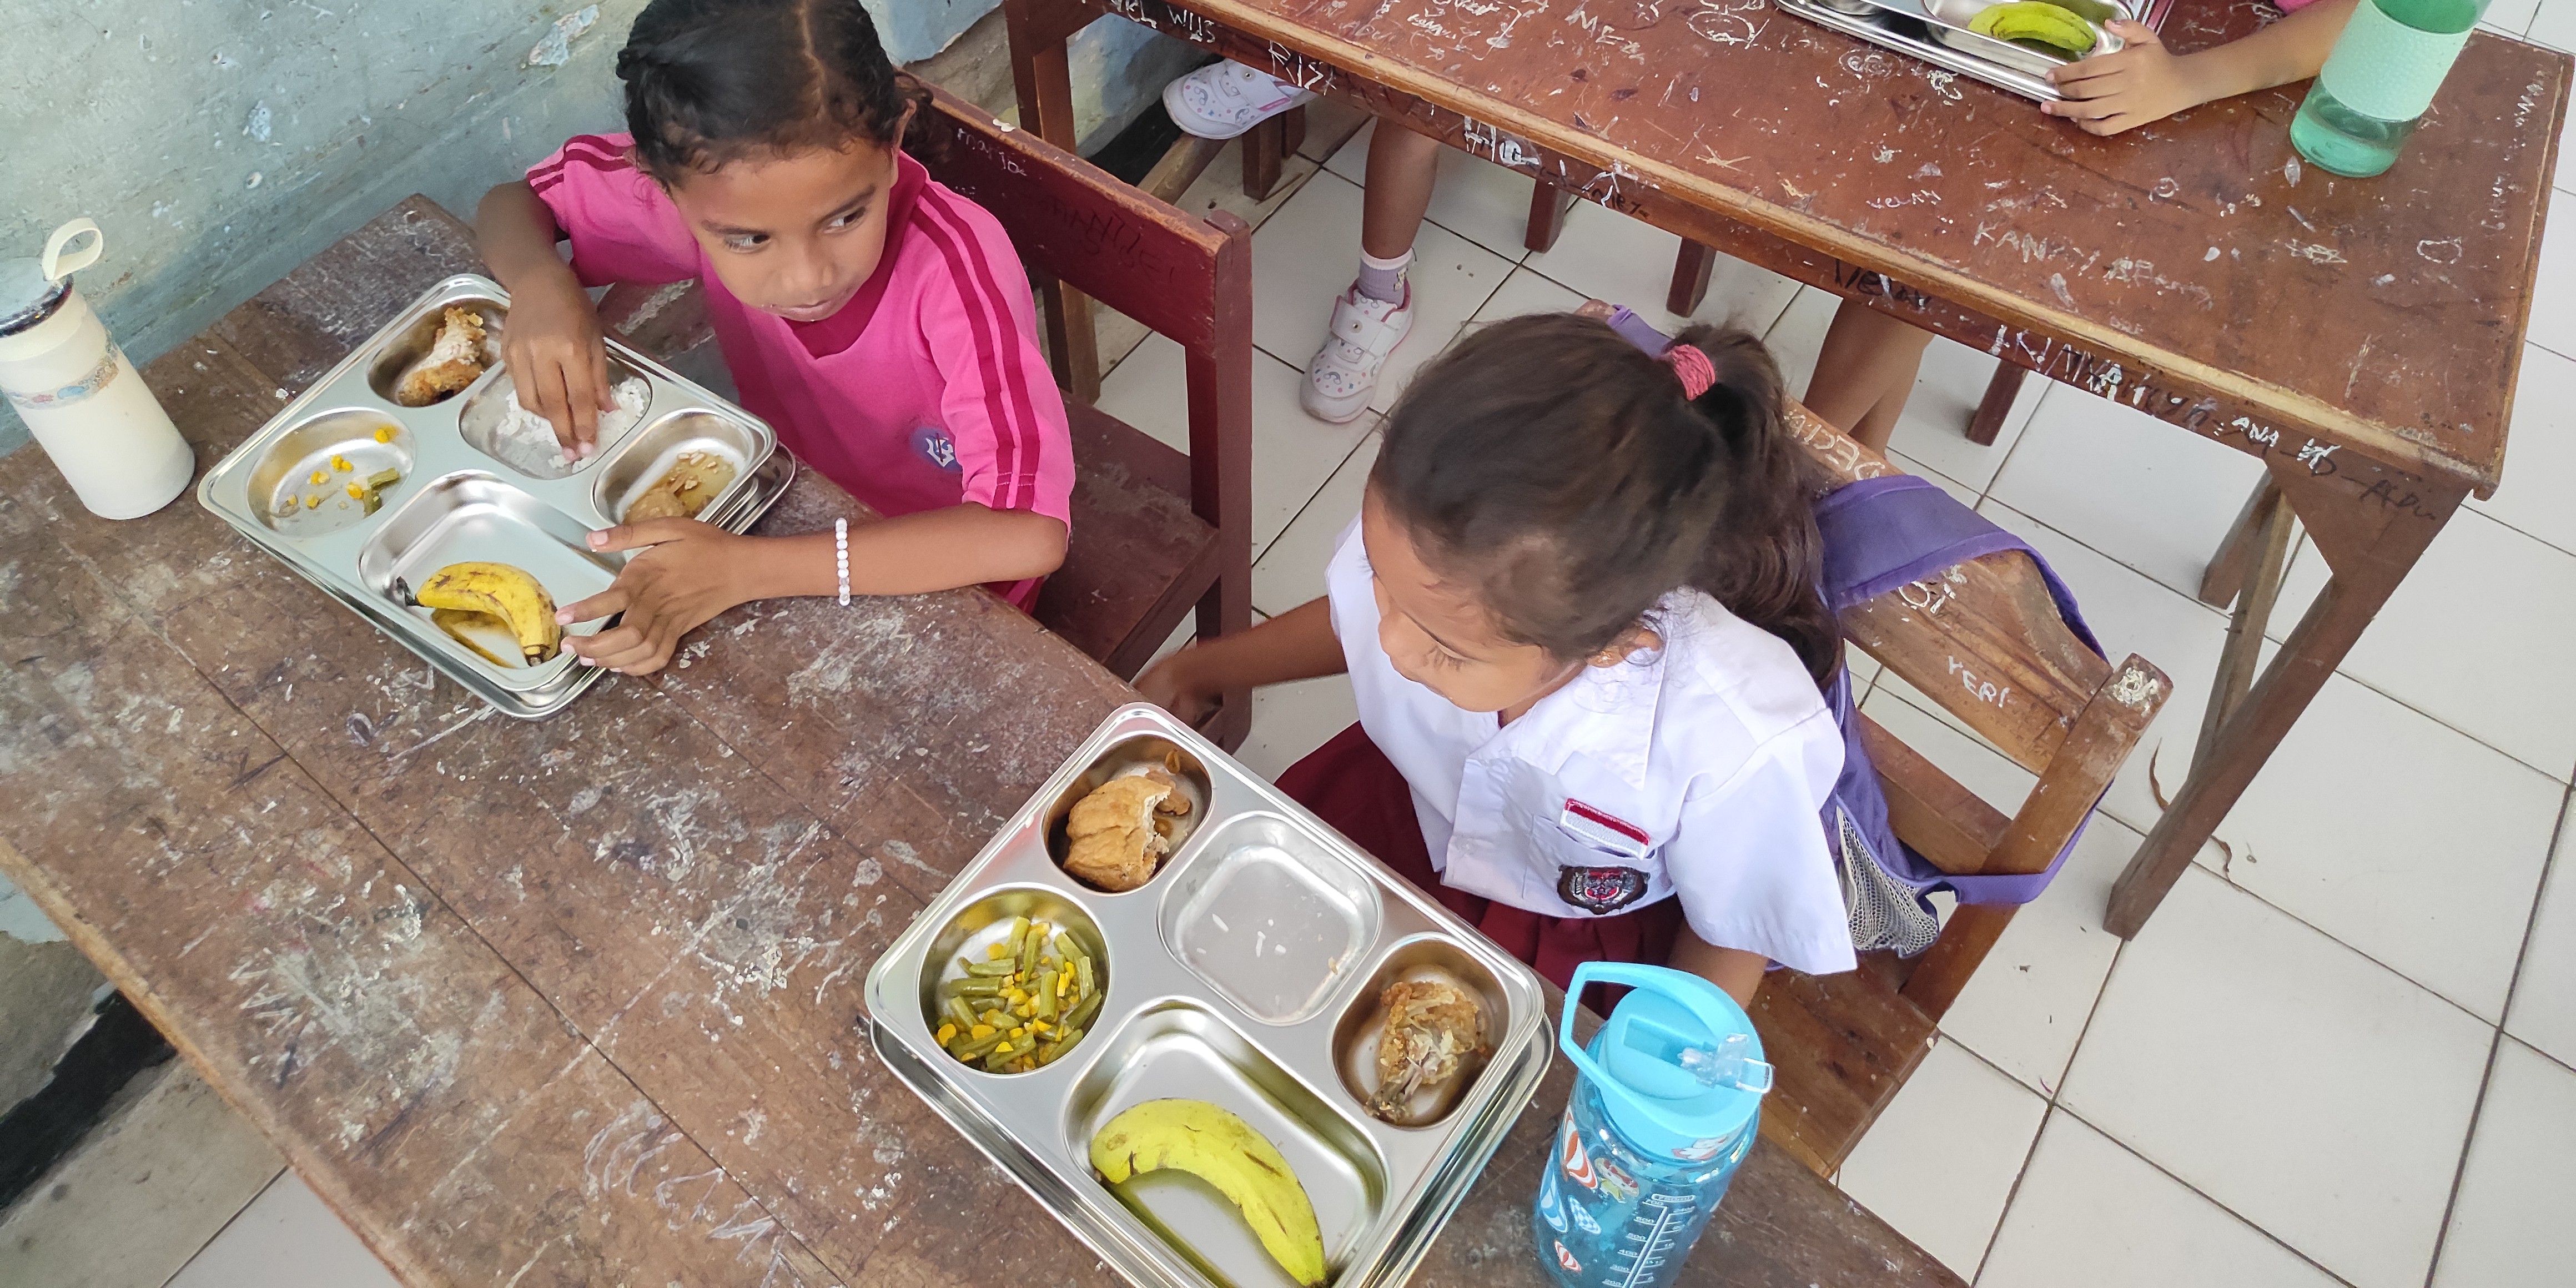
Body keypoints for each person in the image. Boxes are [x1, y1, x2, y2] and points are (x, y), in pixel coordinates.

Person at [1138, 311, 1857, 1006]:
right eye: (1383, 587)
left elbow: (1734, 931)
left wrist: (1661, 1057)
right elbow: (1350, 621)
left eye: (1446, 650)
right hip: (1393, 811)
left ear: (1612, 643)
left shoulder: (1732, 734)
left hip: (1564, 931)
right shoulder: (1429, 549)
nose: (1388, 643)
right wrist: (1204, 670)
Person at [476, 0, 1072, 675]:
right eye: (749, 240)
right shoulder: (701, 185)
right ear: (663, 190)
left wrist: (749, 571)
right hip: (786, 510)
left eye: (846, 216)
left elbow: (1027, 535)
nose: (807, 278)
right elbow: (511, 205)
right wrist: (540, 286)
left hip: (950, 582)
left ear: (894, 142)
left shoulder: (957, 268)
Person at [1805, 0, 2362, 452]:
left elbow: (2374, 22)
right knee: (1921, 238)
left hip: (2230, 119)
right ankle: (1847, 478)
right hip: (2090, 57)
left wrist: (2188, 79)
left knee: (1940, 237)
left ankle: (1781, 484)